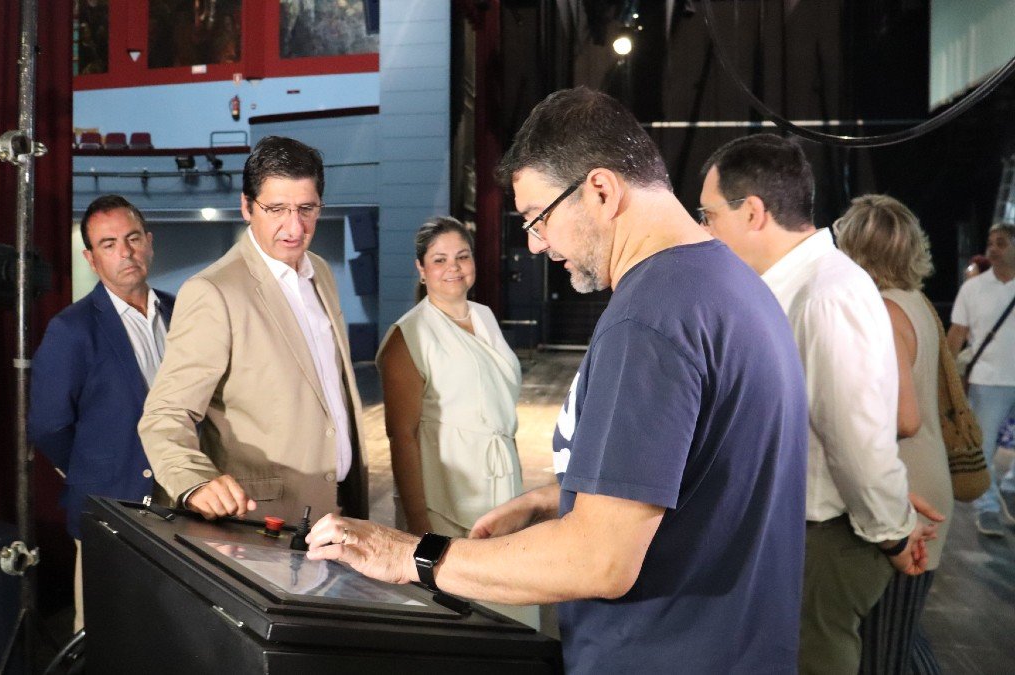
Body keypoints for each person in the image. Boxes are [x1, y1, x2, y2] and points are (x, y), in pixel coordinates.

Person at [304, 87, 810, 674]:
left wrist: (413, 556)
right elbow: (714, 474)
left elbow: (600, 559)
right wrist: (566, 497)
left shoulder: (650, 317)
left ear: (600, 189)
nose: (536, 243)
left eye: (537, 218)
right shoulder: (730, 283)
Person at [699, 135, 942, 675]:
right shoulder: (793, 286)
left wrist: (893, 530)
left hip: (824, 536)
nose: (704, 229)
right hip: (798, 530)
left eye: (710, 213)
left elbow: (857, 441)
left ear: (754, 212)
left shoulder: (827, 293)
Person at [139, 135, 368, 526]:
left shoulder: (322, 273)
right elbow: (165, 415)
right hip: (263, 521)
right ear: (247, 206)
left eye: (306, 209)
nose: (294, 227)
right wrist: (195, 483)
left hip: (339, 510)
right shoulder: (212, 292)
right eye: (277, 209)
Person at [376, 216, 534, 628]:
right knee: (462, 615)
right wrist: (419, 526)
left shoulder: (485, 317)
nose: (454, 267)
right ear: (421, 268)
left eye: (462, 256)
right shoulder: (408, 335)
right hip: (445, 494)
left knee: (511, 606)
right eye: (440, 259)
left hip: (501, 485)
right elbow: (402, 436)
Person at [28, 194, 175, 632]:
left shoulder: (184, 312)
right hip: (110, 508)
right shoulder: (71, 329)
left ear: (149, 242)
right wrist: (95, 470)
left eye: (132, 238)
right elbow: (49, 425)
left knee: (176, 637)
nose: (125, 252)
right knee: (108, 640)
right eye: (109, 244)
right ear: (91, 260)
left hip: (183, 504)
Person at [833, 194, 953, 674]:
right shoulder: (916, 303)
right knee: (902, 637)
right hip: (922, 480)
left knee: (883, 650)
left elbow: (904, 419)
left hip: (907, 492)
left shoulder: (882, 311)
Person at [948, 223, 1015, 536]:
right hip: (988, 380)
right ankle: (986, 509)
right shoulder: (972, 289)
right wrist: (946, 375)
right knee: (983, 448)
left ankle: (1009, 490)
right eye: (991, 242)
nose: (993, 248)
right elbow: (957, 335)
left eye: (1001, 242)